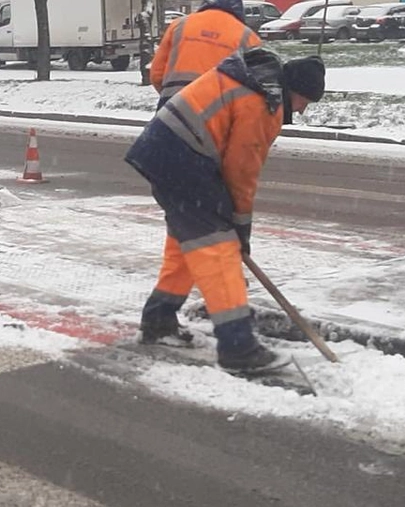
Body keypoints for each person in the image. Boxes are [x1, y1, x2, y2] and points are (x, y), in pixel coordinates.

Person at [125, 48, 326, 372]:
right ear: (295, 92)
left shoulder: (256, 84)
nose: (301, 111)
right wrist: (239, 230)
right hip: (182, 160)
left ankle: (159, 319)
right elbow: (241, 172)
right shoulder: (262, 103)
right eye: (305, 102)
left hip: (169, 153)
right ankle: (238, 348)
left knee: (186, 246)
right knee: (218, 251)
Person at [150, 0, 262, 110]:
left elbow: (156, 74)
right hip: (216, 108)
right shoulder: (248, 37)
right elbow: (256, 87)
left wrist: (171, 94)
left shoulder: (179, 25)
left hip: (174, 102)